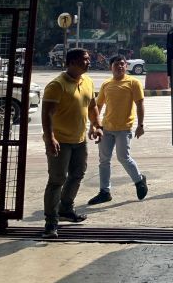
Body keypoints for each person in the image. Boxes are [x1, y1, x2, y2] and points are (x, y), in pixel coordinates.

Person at [41, 48, 101, 240]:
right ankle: (51, 222)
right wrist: (50, 138)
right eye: (85, 59)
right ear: (73, 62)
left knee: (77, 174)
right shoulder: (56, 85)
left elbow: (92, 106)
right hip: (60, 141)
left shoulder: (88, 81)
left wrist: (96, 125)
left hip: (80, 139)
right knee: (57, 180)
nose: (89, 62)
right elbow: (47, 114)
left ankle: (66, 208)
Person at [87, 54, 148, 206]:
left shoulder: (133, 82)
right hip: (106, 128)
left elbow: (139, 104)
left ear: (126, 66)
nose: (120, 66)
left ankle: (139, 180)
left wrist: (140, 125)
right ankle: (104, 192)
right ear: (111, 67)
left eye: (122, 64)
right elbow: (98, 106)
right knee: (104, 160)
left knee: (123, 157)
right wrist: (94, 126)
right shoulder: (106, 84)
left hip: (124, 128)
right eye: (116, 64)